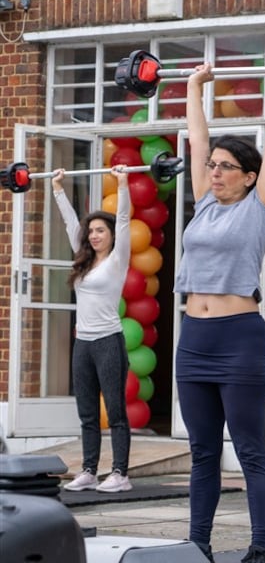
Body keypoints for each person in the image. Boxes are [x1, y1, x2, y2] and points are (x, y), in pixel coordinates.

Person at [175, 59, 265, 563]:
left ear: (250, 177)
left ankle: (259, 548)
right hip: (194, 340)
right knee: (203, 453)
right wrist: (193, 87)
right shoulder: (204, 204)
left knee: (250, 450)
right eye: (212, 166)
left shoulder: (260, 207)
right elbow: (195, 139)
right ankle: (198, 544)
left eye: (226, 167)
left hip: (238, 338)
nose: (214, 172)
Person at [53, 165, 133, 493]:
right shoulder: (85, 262)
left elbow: (126, 219)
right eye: (92, 232)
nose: (95, 235)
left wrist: (123, 184)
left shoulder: (117, 260)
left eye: (101, 230)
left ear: (112, 234)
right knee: (87, 412)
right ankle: (88, 470)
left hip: (108, 342)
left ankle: (120, 474)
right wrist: (59, 188)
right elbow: (72, 223)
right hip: (83, 344)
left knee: (114, 411)